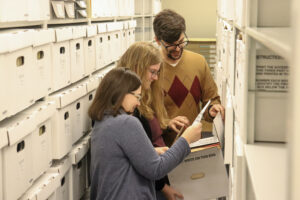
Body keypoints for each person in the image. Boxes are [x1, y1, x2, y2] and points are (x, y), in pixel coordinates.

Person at [88, 68, 202, 200]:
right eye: (137, 96)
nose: (138, 103)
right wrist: (186, 139)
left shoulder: (103, 121)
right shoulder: (126, 122)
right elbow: (156, 169)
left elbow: (117, 160)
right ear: (121, 93)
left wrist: (150, 151)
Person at [117, 41, 189, 200]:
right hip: (153, 182)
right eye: (152, 72)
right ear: (137, 68)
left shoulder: (146, 94)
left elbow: (147, 138)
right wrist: (163, 188)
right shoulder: (128, 107)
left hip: (161, 175)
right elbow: (143, 161)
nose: (156, 78)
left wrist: (167, 125)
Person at [153, 9, 225, 130]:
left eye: (181, 42)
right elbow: (145, 113)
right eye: (171, 46)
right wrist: (166, 123)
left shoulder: (199, 62)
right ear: (157, 41)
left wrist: (212, 110)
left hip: (193, 143)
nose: (177, 49)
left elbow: (212, 100)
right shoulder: (152, 68)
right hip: (162, 146)